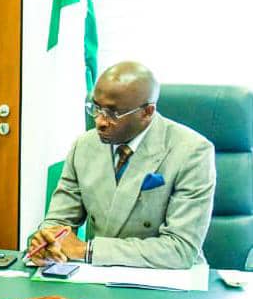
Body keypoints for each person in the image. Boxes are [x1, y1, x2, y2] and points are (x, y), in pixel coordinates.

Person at [27, 61, 215, 269]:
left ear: (147, 112)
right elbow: (59, 222)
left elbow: (180, 249)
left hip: (165, 279)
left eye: (113, 113)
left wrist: (86, 250)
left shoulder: (192, 152)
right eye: (96, 108)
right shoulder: (84, 146)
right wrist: (46, 242)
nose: (100, 121)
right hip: (97, 275)